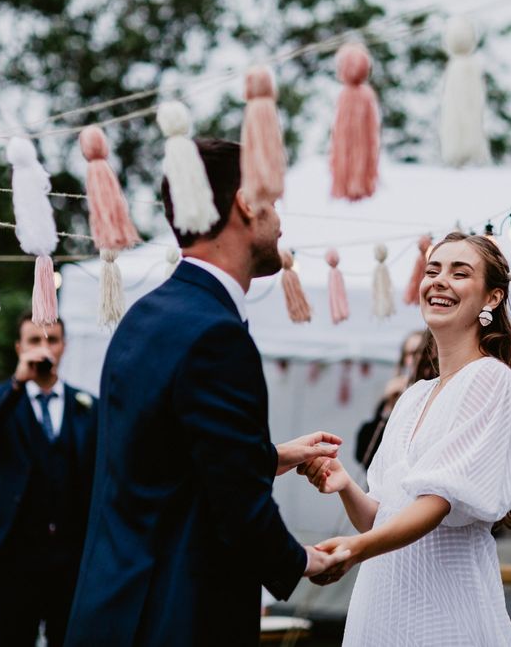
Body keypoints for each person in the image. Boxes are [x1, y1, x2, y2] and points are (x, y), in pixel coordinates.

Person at [63, 139, 349, 647]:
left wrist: (271, 456)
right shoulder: (216, 335)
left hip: (113, 609)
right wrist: (303, 559)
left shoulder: (144, 315)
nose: (281, 221)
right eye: (273, 201)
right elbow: (236, 505)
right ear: (244, 202)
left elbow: (159, 460)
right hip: (175, 616)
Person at [299, 232, 511, 646]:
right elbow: (384, 516)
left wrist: (356, 549)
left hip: (443, 611)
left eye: (459, 273)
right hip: (382, 606)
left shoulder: (493, 380)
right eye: (432, 270)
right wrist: (344, 484)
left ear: (492, 299)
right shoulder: (414, 397)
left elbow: (435, 504)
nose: (439, 280)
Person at [0, 312, 98, 647]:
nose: (43, 349)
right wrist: (18, 384)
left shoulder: (89, 406)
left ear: (65, 346)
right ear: (19, 347)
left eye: (52, 340)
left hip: (71, 559)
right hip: (13, 558)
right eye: (34, 340)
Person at [355, 331, 424, 469]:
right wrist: (387, 405)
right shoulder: (396, 393)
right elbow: (365, 455)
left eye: (419, 352)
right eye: (408, 354)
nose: (413, 360)